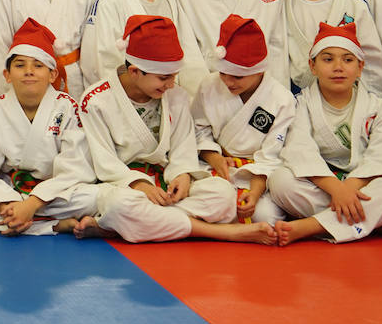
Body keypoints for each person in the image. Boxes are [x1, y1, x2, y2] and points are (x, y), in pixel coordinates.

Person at [79, 14, 274, 243]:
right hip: (124, 185)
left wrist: (181, 175)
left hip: (164, 185)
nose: (171, 84)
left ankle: (121, 228)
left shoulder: (176, 95)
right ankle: (221, 232)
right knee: (119, 205)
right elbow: (104, 161)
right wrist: (138, 184)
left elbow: (182, 146)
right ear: (134, 71)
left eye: (174, 76)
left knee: (222, 194)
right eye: (164, 78)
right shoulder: (95, 100)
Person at [0, 18, 102, 236]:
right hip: (10, 195)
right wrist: (8, 209)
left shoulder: (68, 108)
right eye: (20, 65)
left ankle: (26, 222)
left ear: (52, 75)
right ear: (7, 75)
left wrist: (30, 206)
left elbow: (75, 169)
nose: (29, 71)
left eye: (38, 65)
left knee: (96, 197)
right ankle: (54, 225)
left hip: (51, 197)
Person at [267, 22, 382, 244]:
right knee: (280, 181)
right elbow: (300, 151)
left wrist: (349, 188)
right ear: (312, 66)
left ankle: (311, 226)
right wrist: (336, 189)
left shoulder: (377, 107)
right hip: (322, 185)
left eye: (348, 60)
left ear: (360, 67)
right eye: (328, 59)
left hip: (361, 185)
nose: (338, 67)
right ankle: (378, 224)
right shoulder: (300, 104)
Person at [191, 15, 294, 225]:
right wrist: (214, 158)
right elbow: (198, 130)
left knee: (265, 217)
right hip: (216, 168)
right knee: (216, 201)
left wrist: (255, 193)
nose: (228, 81)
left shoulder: (281, 99)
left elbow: (272, 154)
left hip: (258, 176)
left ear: (259, 70)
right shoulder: (209, 85)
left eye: (237, 77)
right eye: (223, 73)